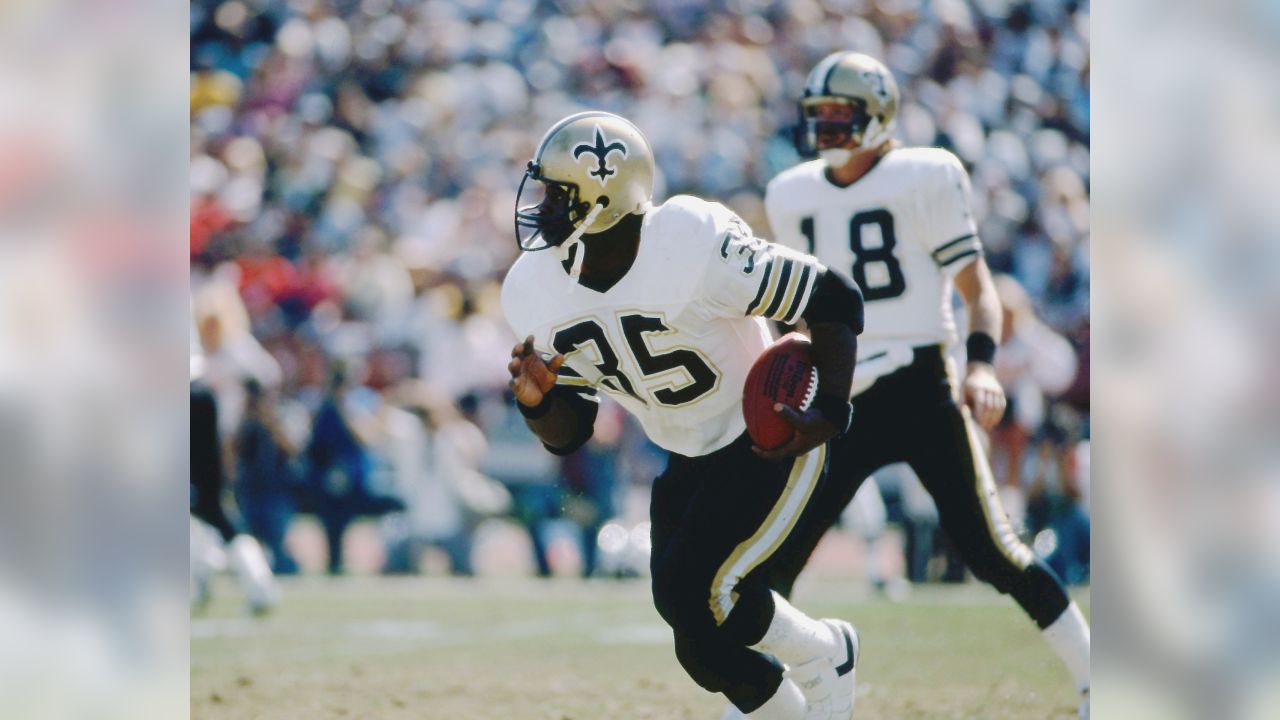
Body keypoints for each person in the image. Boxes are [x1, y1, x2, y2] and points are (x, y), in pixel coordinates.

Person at [502, 111, 865, 720]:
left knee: (696, 604)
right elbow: (572, 435)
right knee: (690, 619)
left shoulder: (692, 242)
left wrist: (830, 411)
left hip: (765, 434)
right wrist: (539, 405)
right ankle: (827, 653)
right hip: (686, 450)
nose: (542, 209)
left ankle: (799, 699)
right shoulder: (533, 288)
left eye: (559, 196)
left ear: (605, 197)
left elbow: (834, 300)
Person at [760, 52, 1091, 718]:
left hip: (920, 382)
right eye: (817, 116)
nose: (825, 128)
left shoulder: (927, 174)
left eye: (840, 115)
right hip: (838, 391)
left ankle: (1095, 675)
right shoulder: (791, 191)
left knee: (992, 550)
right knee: (777, 555)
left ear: (878, 118)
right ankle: (769, 696)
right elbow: (789, 308)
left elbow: (978, 290)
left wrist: (978, 364)